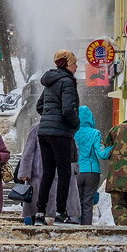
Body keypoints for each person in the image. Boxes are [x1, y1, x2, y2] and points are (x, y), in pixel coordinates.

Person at [34, 49, 80, 225]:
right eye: (75, 64)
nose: (76, 67)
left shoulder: (50, 82)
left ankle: (40, 211)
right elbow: (68, 109)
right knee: (64, 172)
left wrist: (48, 117)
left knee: (47, 173)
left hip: (44, 132)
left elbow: (40, 106)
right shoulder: (67, 82)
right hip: (60, 133)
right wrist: (75, 124)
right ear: (67, 64)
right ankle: (61, 212)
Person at [16, 123, 81, 224]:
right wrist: (25, 171)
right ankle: (40, 218)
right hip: (40, 173)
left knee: (56, 199)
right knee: (40, 202)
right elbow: (28, 151)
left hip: (58, 173)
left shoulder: (64, 127)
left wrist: (74, 167)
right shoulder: (37, 128)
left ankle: (54, 217)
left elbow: (73, 150)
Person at [72, 105, 112, 225]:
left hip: (76, 171)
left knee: (76, 201)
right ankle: (86, 228)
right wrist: (113, 147)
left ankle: (75, 226)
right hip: (91, 171)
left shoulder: (72, 132)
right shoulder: (95, 133)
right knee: (88, 202)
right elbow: (102, 154)